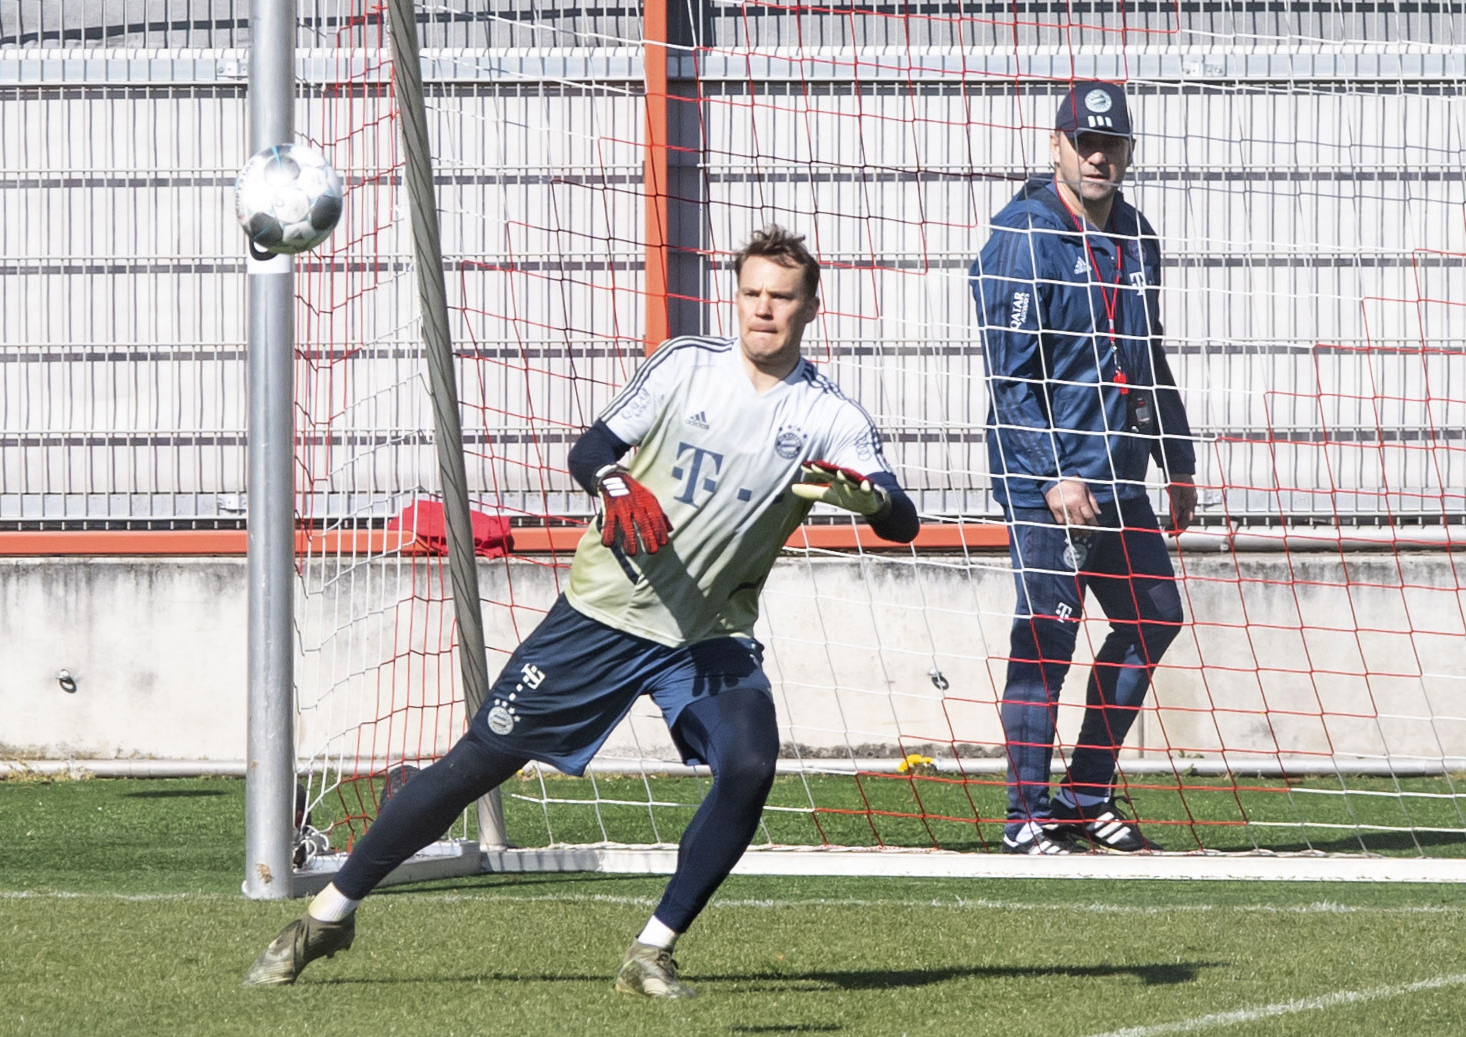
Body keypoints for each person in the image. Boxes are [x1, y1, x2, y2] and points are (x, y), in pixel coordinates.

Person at [243, 225, 919, 996]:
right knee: (477, 764)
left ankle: (652, 948)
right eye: (753, 293)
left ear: (811, 307)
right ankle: (329, 914)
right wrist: (614, 483)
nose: (764, 310)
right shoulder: (687, 368)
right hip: (603, 615)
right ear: (737, 297)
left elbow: (901, 518)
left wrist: (872, 500)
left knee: (751, 764)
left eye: (782, 297)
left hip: (708, 637)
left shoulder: (829, 413)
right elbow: (590, 449)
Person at [968, 81, 1197, 855]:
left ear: (1128, 152)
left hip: (1121, 476)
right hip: (1052, 484)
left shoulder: (1136, 234)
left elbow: (1149, 354)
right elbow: (1010, 382)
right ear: (1056, 145)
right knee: (1048, 637)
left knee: (1153, 615)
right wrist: (1052, 475)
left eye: (1113, 145)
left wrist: (1179, 458)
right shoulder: (1020, 238)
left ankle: (1082, 794)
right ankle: (1022, 815)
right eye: (1085, 142)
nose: (1099, 156)